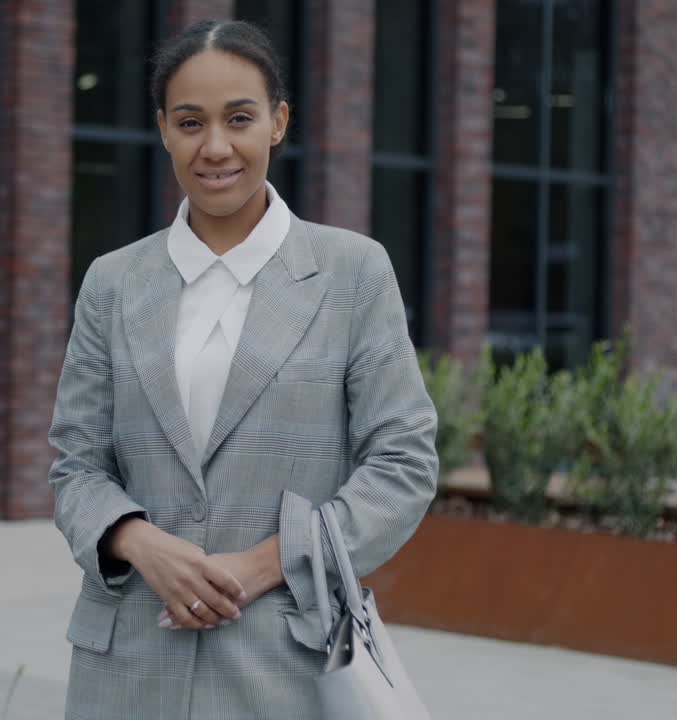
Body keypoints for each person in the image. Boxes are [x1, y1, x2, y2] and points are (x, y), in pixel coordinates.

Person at [47, 18, 439, 719]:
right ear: (164, 130)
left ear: (278, 122)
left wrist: (264, 564)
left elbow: (403, 463)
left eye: (239, 119)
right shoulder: (113, 282)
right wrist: (137, 541)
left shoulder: (353, 273)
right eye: (190, 122)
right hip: (128, 665)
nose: (215, 147)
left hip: (285, 665)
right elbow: (76, 464)